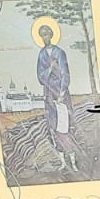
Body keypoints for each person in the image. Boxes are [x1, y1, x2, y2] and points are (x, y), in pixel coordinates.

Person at [35, 23, 79, 172]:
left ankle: (73, 161)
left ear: (52, 35)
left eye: (47, 34)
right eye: (42, 35)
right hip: (49, 95)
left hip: (61, 93)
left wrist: (61, 93)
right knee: (53, 126)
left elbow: (65, 73)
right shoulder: (41, 54)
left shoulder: (60, 52)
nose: (45, 37)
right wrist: (50, 68)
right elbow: (41, 77)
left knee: (64, 125)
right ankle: (62, 162)